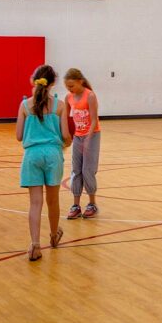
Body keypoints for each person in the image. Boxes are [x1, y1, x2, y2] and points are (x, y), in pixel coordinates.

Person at [16, 63, 72, 261]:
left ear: (34, 81)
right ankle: (54, 236)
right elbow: (65, 135)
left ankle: (35, 245)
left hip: (32, 155)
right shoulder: (60, 106)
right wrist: (67, 142)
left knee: (35, 203)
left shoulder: (25, 105)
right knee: (53, 201)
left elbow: (19, 136)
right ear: (53, 83)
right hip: (53, 155)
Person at [62, 68, 102, 219]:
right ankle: (76, 205)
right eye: (67, 86)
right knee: (76, 170)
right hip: (77, 137)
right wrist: (66, 136)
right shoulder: (68, 97)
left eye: (72, 86)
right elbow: (66, 119)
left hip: (92, 136)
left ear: (80, 81)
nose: (69, 89)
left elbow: (94, 121)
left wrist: (88, 139)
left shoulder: (90, 96)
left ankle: (92, 204)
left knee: (87, 170)